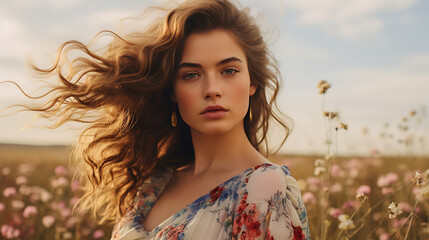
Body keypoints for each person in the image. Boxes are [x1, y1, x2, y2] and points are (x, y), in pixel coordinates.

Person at [7, 0, 310, 239]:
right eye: (191, 75)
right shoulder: (155, 184)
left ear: (253, 82)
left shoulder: (265, 189)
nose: (212, 89)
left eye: (228, 70)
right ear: (173, 92)